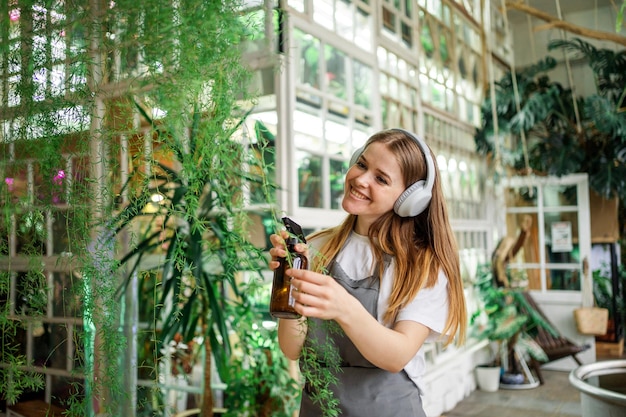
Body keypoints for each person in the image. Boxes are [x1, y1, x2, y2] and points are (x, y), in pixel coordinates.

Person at [269, 128, 467, 417]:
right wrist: (288, 283)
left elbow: (396, 356)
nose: (360, 179)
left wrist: (343, 306)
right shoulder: (316, 247)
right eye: (361, 164)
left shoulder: (422, 265)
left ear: (410, 198)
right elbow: (292, 348)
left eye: (381, 178)